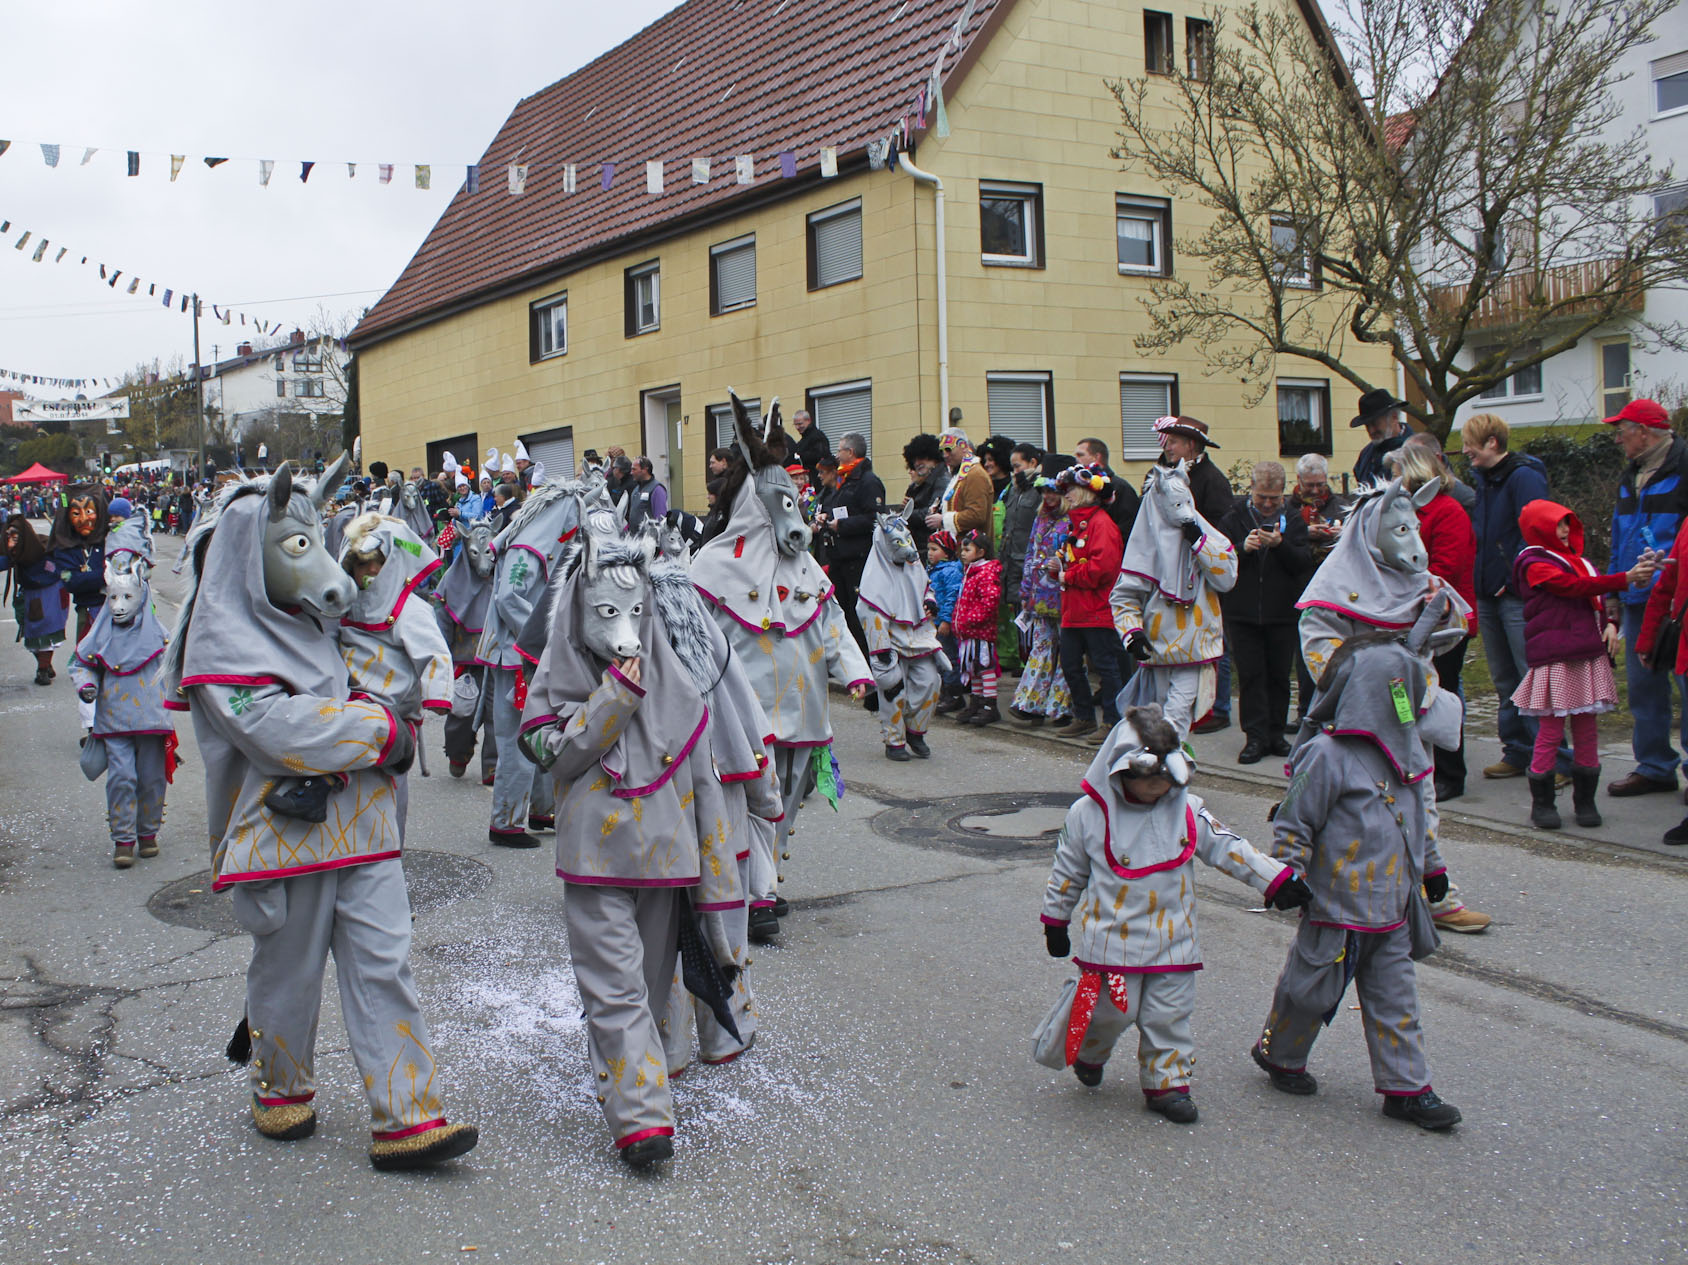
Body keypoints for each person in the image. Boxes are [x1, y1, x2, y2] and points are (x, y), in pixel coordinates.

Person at [171, 463, 478, 1171]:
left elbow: (384, 683)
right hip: (286, 838)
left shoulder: (330, 628)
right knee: (289, 972)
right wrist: (381, 729)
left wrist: (392, 703)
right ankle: (281, 1086)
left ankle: (407, 1113)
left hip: (365, 823)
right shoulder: (223, 653)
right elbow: (275, 730)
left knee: (385, 961)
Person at [1039, 704, 1310, 1125]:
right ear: (1120, 772)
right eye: (1151, 780)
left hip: (1174, 941)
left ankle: (1167, 1084)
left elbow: (1228, 846)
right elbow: (1067, 871)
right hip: (1113, 944)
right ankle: (1091, 1049)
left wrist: (1275, 879)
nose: (1161, 788)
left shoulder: (1186, 808)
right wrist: (1055, 919)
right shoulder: (1087, 815)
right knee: (1112, 1014)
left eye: (1168, 779)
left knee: (1169, 1016)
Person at [1251, 605, 1464, 1131]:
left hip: (1391, 908)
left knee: (1397, 1000)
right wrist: (1288, 874)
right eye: (1401, 693)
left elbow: (1415, 823)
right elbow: (1295, 822)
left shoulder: (1409, 753)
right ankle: (1279, 1053)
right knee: (1309, 994)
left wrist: (1432, 868)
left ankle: (1407, 1089)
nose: (1407, 705)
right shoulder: (1326, 755)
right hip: (1336, 906)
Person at [1513, 500, 1652, 829]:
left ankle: (1585, 801)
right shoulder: (1533, 563)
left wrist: (1610, 623)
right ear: (1539, 527)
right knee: (1551, 731)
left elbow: (1597, 600)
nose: (1564, 531)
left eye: (1567, 524)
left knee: (1587, 729)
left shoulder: (1582, 562)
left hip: (1587, 653)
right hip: (1554, 658)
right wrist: (1625, 578)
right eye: (1558, 524)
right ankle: (1543, 802)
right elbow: (1573, 588)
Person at [1113, 459, 1238, 741]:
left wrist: (1200, 544)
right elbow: (1125, 597)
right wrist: (1131, 634)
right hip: (1157, 651)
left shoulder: (1205, 536)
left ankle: (1172, 773)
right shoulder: (1143, 549)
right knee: (1154, 723)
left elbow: (1226, 578)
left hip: (1194, 651)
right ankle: (1164, 774)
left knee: (1176, 721)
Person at [1463, 412, 1556, 781]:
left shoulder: (1523, 477)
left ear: (1492, 443)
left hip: (1515, 593)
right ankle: (1517, 750)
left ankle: (1553, 757)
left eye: (1471, 442)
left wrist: (1512, 576)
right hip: (1487, 591)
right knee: (1504, 679)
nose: (1466, 449)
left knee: (1529, 674)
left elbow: (1535, 531)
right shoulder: (1485, 481)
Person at [1603, 398, 1688, 797]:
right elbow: (1619, 536)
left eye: (1622, 430)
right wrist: (1614, 592)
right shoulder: (1630, 475)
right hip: (1637, 596)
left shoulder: (1683, 466)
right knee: (1643, 685)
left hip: (1679, 600)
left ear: (1644, 431)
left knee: (1686, 686)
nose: (1618, 438)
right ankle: (1654, 767)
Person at [1388, 445, 1479, 802]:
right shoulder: (1410, 512)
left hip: (1444, 621)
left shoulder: (1447, 511)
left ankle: (1451, 774)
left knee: (1441, 694)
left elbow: (1445, 567)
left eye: (1397, 473)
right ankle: (1417, 763)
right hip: (1410, 619)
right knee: (1408, 695)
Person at [72, 560, 174, 868]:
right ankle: (123, 839)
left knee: (152, 779)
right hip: (114, 719)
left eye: (126, 597)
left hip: (153, 720)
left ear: (141, 596)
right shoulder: (100, 634)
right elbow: (81, 664)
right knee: (121, 778)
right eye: (113, 597)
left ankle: (148, 834)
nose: (118, 606)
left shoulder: (160, 636)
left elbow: (177, 667)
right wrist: (86, 686)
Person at [1217, 462, 1313, 763]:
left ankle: (1276, 734)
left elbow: (1303, 563)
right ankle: (1255, 737)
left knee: (1279, 677)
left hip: (1282, 612)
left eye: (1274, 498)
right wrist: (1242, 548)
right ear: (1251, 492)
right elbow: (1219, 560)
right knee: (1251, 676)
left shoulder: (1294, 520)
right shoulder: (1234, 518)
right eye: (1262, 498)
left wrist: (1281, 545)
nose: (1269, 504)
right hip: (1242, 613)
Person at [1152, 417, 1233, 733]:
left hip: (1203, 570)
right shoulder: (1165, 475)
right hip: (1173, 570)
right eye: (1167, 441)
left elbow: (1220, 530)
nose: (1167, 446)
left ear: (1191, 446)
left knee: (1213, 639)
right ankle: (1185, 703)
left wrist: (1195, 536)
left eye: (1173, 441)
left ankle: (1219, 707)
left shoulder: (1212, 480)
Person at [1052, 463, 1125, 742]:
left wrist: (1065, 575)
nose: (1066, 494)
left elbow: (1102, 569)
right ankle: (1083, 717)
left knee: (1106, 668)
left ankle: (1112, 721)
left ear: (1087, 492)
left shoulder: (1101, 524)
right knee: (1070, 664)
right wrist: (1058, 566)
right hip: (1074, 608)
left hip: (1096, 608)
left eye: (1071, 489)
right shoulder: (1077, 524)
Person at [1287, 453, 1355, 721]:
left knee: (1337, 651)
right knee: (1305, 655)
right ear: (1299, 481)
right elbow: (1285, 539)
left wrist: (1339, 534)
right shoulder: (1289, 509)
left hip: (1334, 591)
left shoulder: (1341, 506)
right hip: (1300, 588)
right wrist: (1306, 533)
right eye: (1309, 485)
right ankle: (1306, 710)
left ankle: (1337, 707)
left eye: (1320, 485)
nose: (1315, 491)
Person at [1010, 457, 1074, 727]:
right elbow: (1030, 555)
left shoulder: (1071, 520)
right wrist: (1026, 590)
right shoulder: (1041, 518)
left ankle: (1061, 708)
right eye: (1044, 491)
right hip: (1040, 598)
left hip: (1064, 595)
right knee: (1041, 648)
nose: (1048, 496)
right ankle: (1031, 703)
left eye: (1054, 491)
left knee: (1068, 653)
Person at [814, 432, 885, 656]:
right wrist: (826, 517)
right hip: (838, 556)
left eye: (840, 451)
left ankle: (868, 662)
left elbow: (874, 518)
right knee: (841, 612)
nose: (837, 455)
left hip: (857, 558)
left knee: (858, 615)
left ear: (850, 452)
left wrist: (842, 526)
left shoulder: (867, 481)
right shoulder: (842, 480)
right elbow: (837, 508)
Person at [2, 515, 69, 684]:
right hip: (29, 592)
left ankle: (43, 669)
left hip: (51, 591)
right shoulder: (16, 553)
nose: (11, 542)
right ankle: (44, 663)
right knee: (29, 629)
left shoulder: (44, 548)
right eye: (8, 537)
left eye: (15, 538)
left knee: (46, 628)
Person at [997, 443, 1044, 670]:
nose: (1014, 471)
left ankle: (1033, 660)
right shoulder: (1014, 489)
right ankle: (1022, 657)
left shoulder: (1039, 489)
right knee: (1016, 607)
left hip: (1028, 559)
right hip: (1010, 559)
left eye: (1018, 466)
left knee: (1031, 611)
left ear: (1032, 464)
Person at [952, 529, 1004, 726]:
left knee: (984, 666)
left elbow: (989, 601)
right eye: (962, 549)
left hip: (980, 631)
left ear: (981, 552)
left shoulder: (986, 573)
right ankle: (977, 701)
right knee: (973, 668)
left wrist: (970, 619)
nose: (963, 553)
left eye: (967, 549)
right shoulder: (970, 572)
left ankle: (990, 704)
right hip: (968, 631)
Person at [50, 485, 110, 643]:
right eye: (76, 513)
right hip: (88, 611)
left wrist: (89, 576)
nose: (83, 519)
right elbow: (72, 582)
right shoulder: (65, 549)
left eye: (89, 511)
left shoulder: (112, 540)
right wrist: (107, 574)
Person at [925, 429, 994, 541]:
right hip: (962, 549)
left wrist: (943, 520)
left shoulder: (975, 474)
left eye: (948, 449)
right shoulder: (961, 474)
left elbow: (977, 515)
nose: (945, 455)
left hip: (974, 551)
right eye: (942, 451)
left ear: (964, 446)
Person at [927, 530, 968, 715]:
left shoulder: (950, 571)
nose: (929, 553)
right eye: (929, 549)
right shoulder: (933, 570)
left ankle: (954, 694)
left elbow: (952, 597)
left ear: (946, 552)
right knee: (937, 657)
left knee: (949, 658)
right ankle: (943, 691)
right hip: (932, 622)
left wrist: (946, 620)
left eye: (934, 549)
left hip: (943, 623)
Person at [1074, 436, 1141, 546]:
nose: (1076, 459)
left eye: (1080, 455)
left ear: (1096, 457)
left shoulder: (1120, 488)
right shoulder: (1082, 488)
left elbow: (1128, 528)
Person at [900, 433, 949, 558]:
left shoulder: (941, 480)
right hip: (920, 547)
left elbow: (931, 512)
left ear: (933, 457)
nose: (917, 463)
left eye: (922, 458)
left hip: (930, 549)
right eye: (914, 460)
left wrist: (907, 514)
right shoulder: (920, 483)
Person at [1351, 388, 1412, 486]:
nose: (1371, 430)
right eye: (1367, 425)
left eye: (1375, 424)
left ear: (1394, 417)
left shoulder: (1417, 450)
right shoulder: (1365, 455)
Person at [625, 457, 669, 532]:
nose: (631, 472)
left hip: (648, 539)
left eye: (634, 469)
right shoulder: (636, 490)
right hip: (635, 538)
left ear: (645, 470)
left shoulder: (657, 489)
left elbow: (660, 518)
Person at [791, 408, 832, 480]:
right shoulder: (805, 439)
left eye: (800, 424)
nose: (797, 427)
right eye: (795, 424)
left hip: (817, 478)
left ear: (808, 421)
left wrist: (800, 455)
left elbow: (820, 455)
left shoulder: (817, 436)